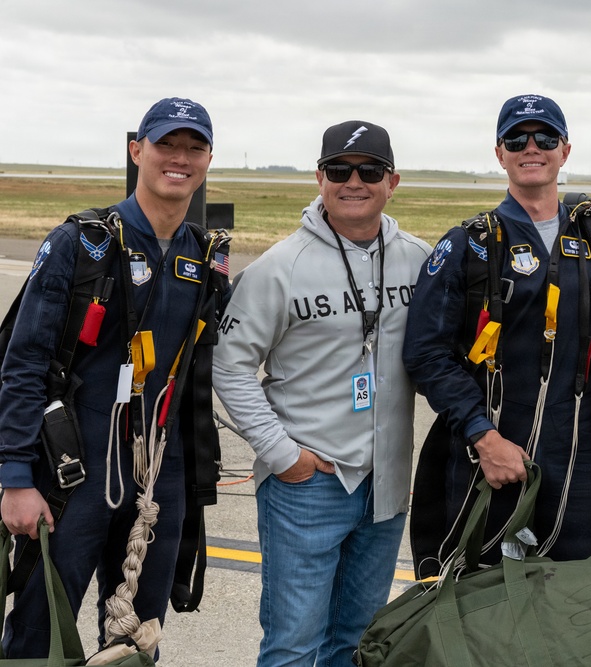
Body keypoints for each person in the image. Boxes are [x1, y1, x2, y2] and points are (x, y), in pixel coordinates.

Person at [0, 97, 227, 657]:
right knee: (38, 630)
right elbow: (22, 364)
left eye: (193, 148)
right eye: (166, 144)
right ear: (137, 151)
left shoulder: (205, 259)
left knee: (137, 636)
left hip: (157, 478)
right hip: (72, 471)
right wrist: (15, 478)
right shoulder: (81, 243)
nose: (179, 158)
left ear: (208, 160)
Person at [212, 120, 430, 667]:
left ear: (392, 180)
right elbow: (229, 364)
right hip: (309, 483)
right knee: (293, 646)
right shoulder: (279, 267)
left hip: (386, 486)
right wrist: (284, 456)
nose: (353, 182)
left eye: (369, 171)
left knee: (357, 643)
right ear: (320, 177)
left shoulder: (420, 258)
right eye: (339, 170)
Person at [403, 94, 591, 571]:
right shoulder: (471, 243)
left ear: (565, 150)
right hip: (489, 463)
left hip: (581, 465)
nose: (532, 147)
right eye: (517, 138)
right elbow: (426, 354)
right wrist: (482, 437)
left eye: (545, 137)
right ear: (499, 153)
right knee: (482, 611)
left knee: (577, 604)